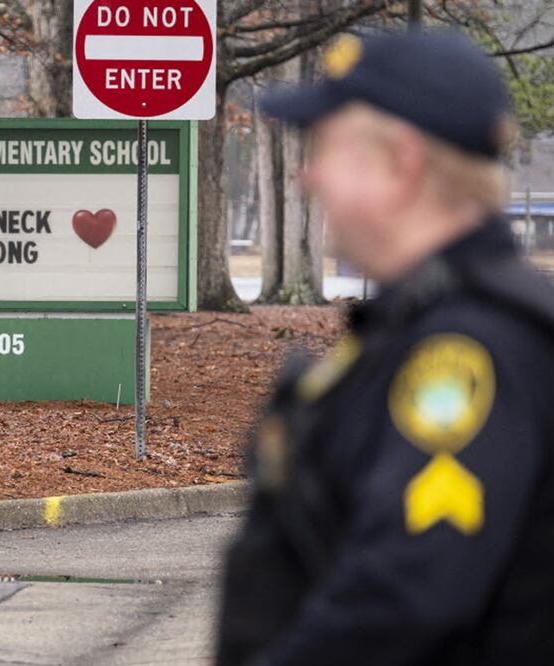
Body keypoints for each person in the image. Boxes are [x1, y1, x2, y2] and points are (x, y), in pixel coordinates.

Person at [216, 30, 554, 664]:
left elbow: (403, 598)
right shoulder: (421, 322)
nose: (308, 176)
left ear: (401, 164)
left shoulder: (469, 348)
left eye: (326, 150)